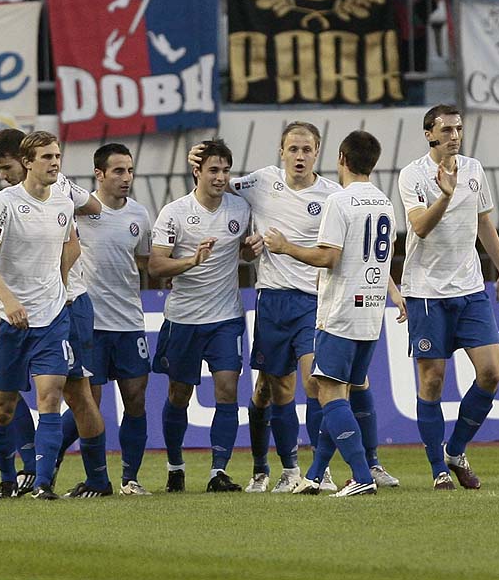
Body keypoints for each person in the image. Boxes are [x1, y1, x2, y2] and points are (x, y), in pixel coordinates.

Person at [189, 122, 399, 493]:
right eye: (293, 149)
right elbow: (217, 188)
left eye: (307, 150)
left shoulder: (334, 195)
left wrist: (391, 288)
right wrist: (197, 162)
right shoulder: (259, 183)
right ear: (281, 151)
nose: (300, 156)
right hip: (272, 297)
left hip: (315, 301)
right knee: (273, 390)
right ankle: (269, 468)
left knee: (315, 383)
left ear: (319, 153)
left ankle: (323, 469)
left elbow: (356, 252)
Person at [263, 130, 404, 497]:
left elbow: (328, 256)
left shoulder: (339, 202)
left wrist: (284, 246)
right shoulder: (384, 202)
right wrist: (393, 291)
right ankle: (315, 473)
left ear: (341, 157)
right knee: (340, 390)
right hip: (371, 313)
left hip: (340, 312)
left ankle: (360, 475)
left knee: (329, 394)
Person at [0, 128, 110, 499]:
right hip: (9, 314)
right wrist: (11, 299)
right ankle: (18, 473)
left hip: (63, 307)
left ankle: (49, 479)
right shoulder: (4, 202)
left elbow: (85, 224)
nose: (2, 175)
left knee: (70, 395)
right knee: (4, 405)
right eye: (48, 157)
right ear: (31, 162)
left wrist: (57, 279)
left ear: (21, 162)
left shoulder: (63, 194)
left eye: (5, 167)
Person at [396, 104, 499, 490]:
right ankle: (437, 470)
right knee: (432, 381)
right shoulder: (412, 175)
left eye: (458, 129)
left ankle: (455, 450)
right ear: (429, 134)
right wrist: (444, 197)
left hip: (470, 288)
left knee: (492, 372)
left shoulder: (474, 169)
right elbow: (419, 227)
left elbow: (483, 222)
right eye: (446, 130)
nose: (454, 136)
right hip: (426, 291)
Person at [150, 139, 261, 493]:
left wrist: (247, 250)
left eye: (226, 170)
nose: (221, 177)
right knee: (179, 394)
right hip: (183, 319)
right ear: (197, 171)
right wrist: (190, 262)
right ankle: (175, 466)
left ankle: (218, 472)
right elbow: (155, 265)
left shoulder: (239, 209)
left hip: (226, 317)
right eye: (213, 170)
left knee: (227, 389)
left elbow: (244, 251)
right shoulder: (175, 212)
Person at [72, 143, 154, 496]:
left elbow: (144, 263)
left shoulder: (139, 215)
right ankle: (95, 478)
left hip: (129, 321)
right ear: (100, 174)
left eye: (130, 170)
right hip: (91, 323)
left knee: (135, 398)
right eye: (118, 171)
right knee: (89, 403)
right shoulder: (79, 212)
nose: (126, 178)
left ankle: (130, 478)